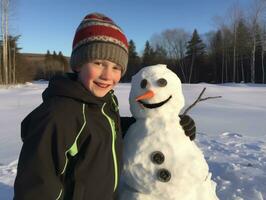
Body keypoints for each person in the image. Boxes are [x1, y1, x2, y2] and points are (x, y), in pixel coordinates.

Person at [13, 13, 196, 200]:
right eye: (98, 63)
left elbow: (108, 129)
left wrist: (163, 124)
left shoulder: (104, 102)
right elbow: (36, 186)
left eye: (116, 67)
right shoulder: (59, 115)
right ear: (79, 64)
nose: (108, 76)